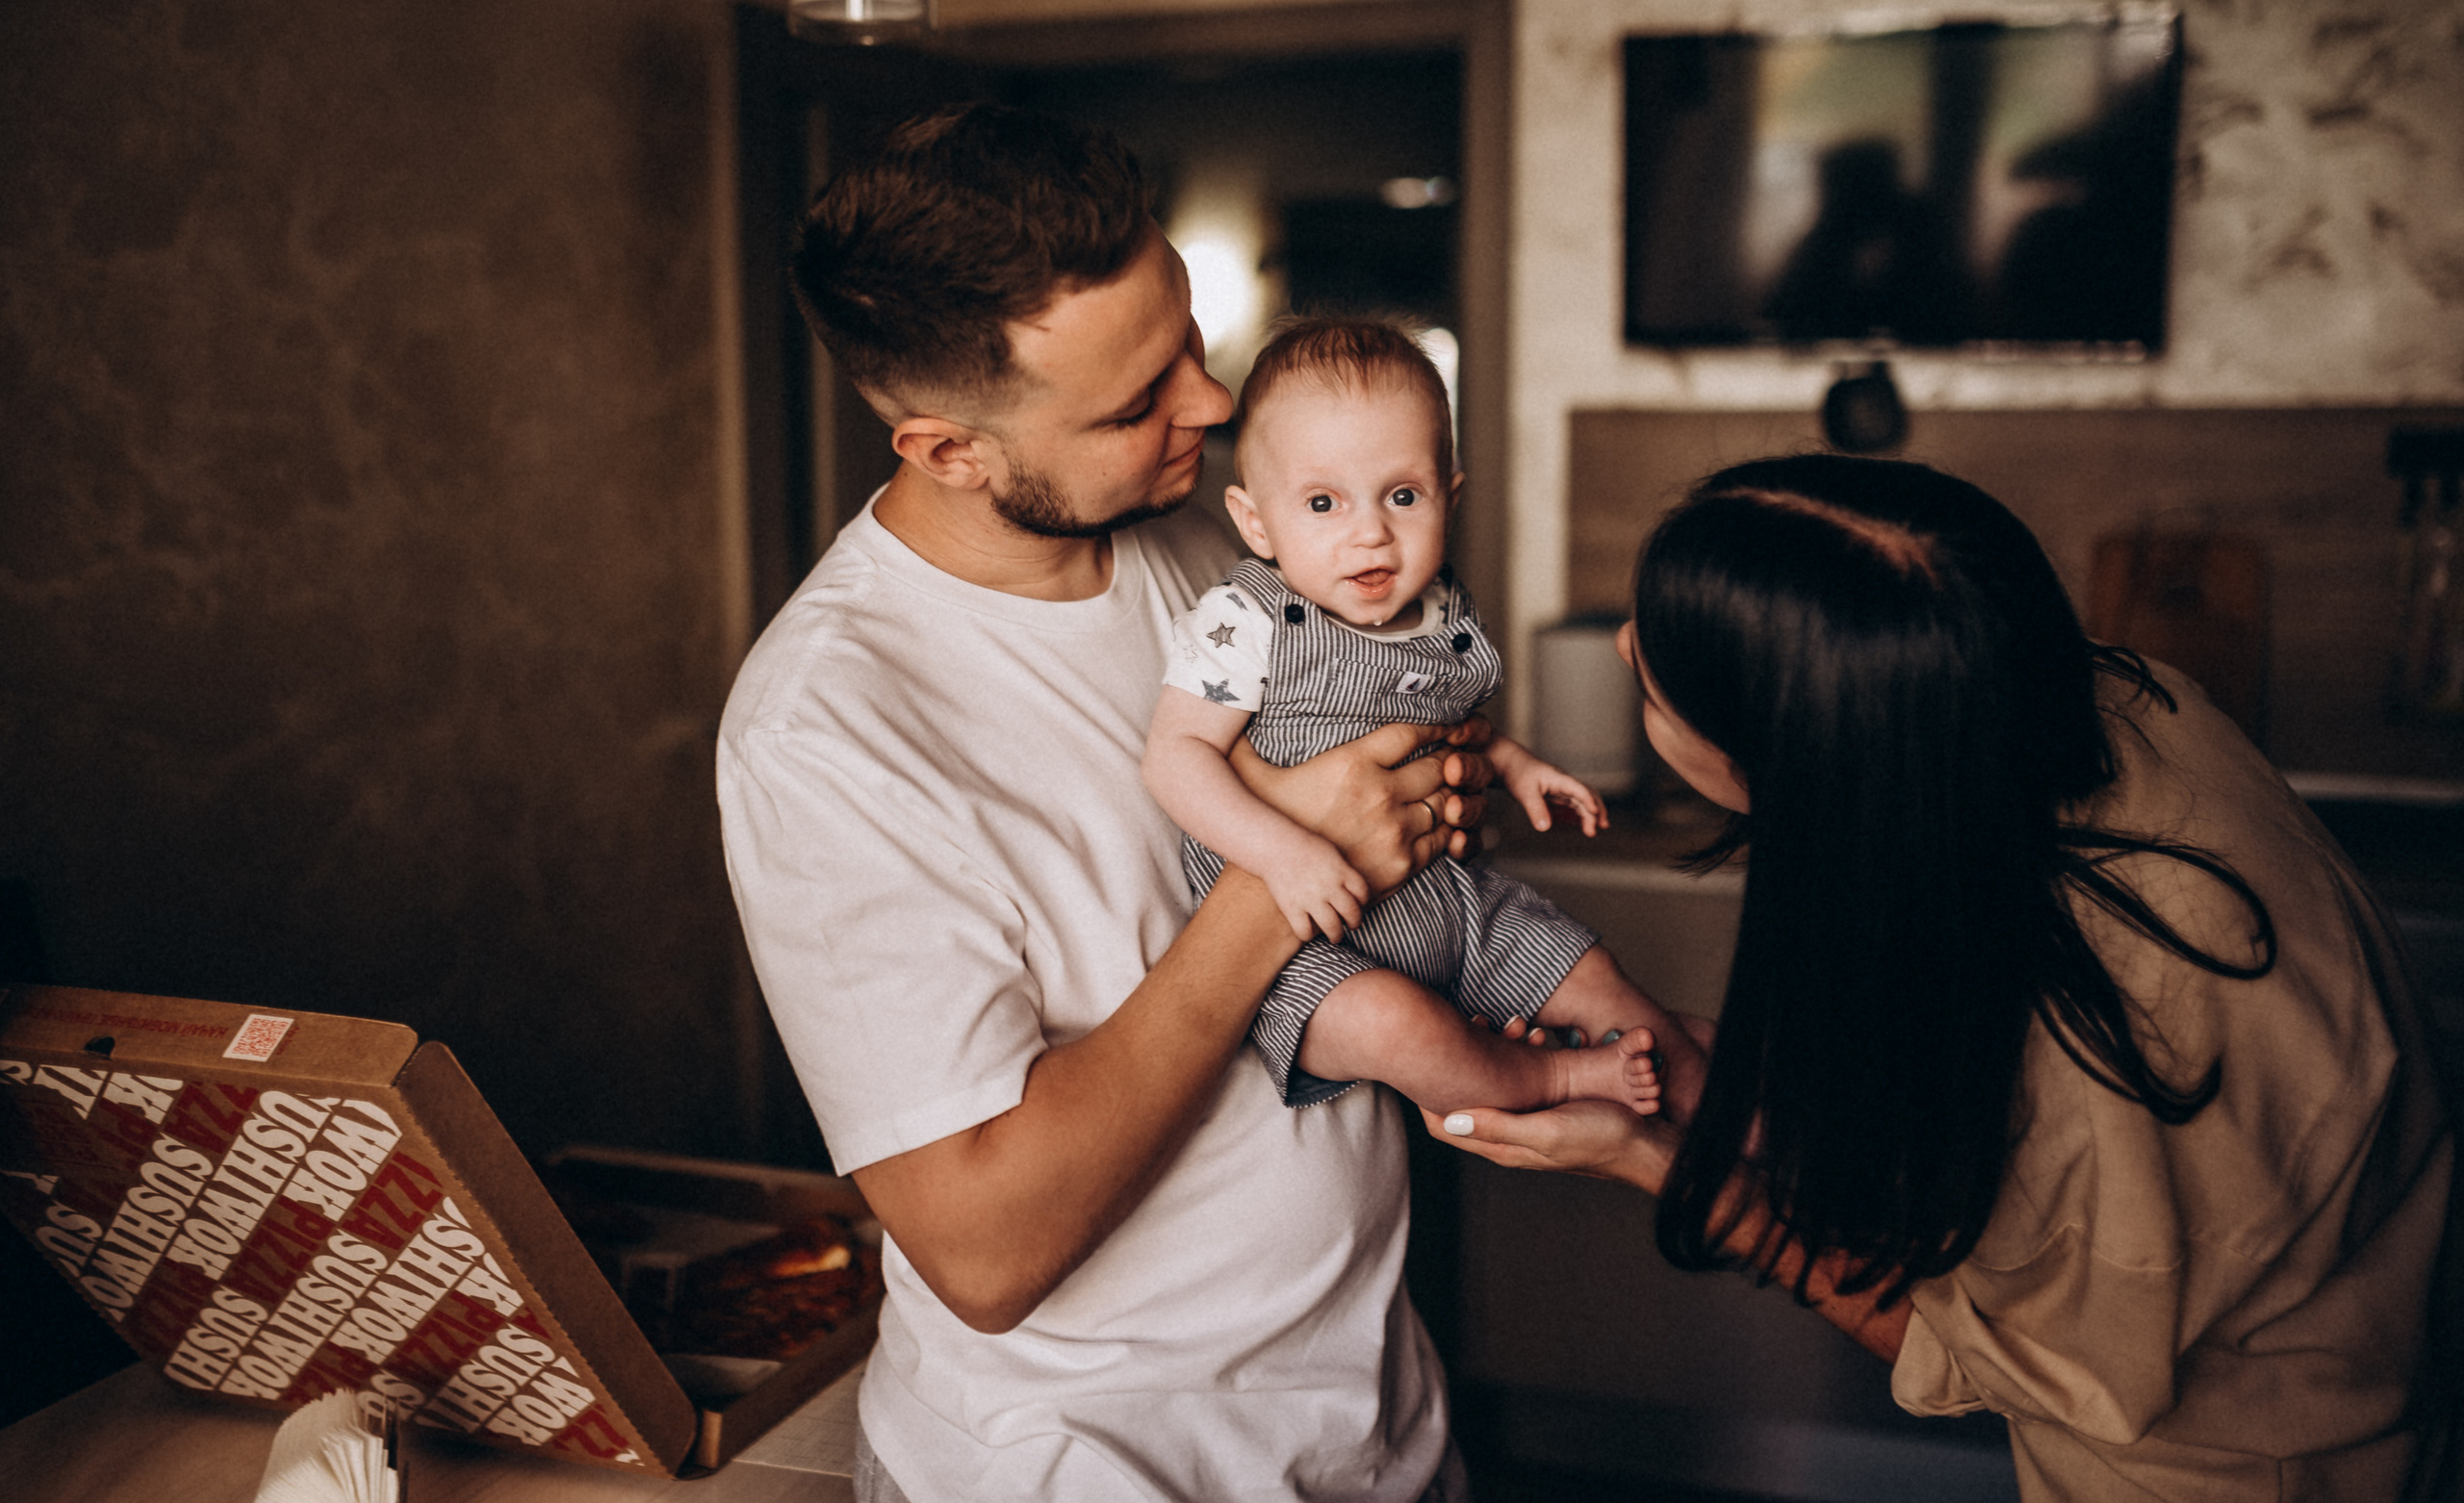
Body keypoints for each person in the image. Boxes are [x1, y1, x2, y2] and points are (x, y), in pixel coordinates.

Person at [716, 104, 1498, 1503]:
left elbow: (1411, 817)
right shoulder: (827, 728)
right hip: (1089, 1468)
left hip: (1375, 1418)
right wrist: (1281, 880)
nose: (1208, 405)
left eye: (1189, 343)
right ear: (947, 449)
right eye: (1138, 401)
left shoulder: (1214, 529)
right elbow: (985, 1251)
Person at [1431, 454, 2459, 1501]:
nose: (1622, 648)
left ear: (1788, 762)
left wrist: (1659, 1163)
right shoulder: (2111, 703)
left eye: (1655, 684)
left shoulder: (2121, 1034)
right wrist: (1705, 1082)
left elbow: (1989, 1352)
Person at [1143, 317, 1665, 1117]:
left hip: (1452, 904)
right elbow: (1176, 757)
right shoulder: (1245, 620)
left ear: (1447, 498)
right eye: (1323, 502)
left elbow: (1458, 729)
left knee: (1599, 977)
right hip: (1316, 948)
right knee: (1407, 1037)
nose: (1370, 532)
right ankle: (1559, 1078)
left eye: (1402, 495)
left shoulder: (1442, 610)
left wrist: (1521, 767)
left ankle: (1723, 1133)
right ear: (1256, 523)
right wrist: (1283, 855)